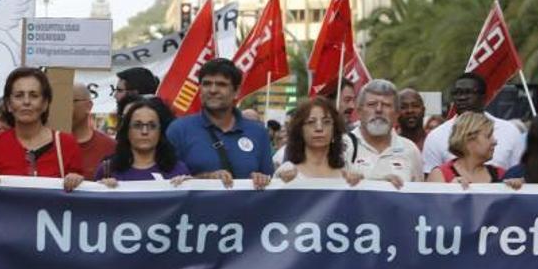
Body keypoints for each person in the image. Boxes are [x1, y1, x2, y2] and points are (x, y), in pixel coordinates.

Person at [166, 58, 273, 189]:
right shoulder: (178, 130)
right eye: (206, 84)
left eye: (221, 84)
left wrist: (262, 179)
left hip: (246, 209)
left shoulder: (258, 132)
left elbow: (271, 183)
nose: (212, 90)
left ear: (236, 91)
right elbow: (166, 184)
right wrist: (206, 178)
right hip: (195, 209)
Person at [0, 67, 84, 191]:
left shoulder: (67, 144)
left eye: (34, 95)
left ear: (45, 104)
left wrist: (76, 180)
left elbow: (78, 199)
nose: (26, 102)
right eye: (19, 96)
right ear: (8, 105)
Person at [422, 72, 524, 175]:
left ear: (483, 98)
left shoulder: (510, 132)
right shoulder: (436, 136)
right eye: (457, 93)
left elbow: (518, 175)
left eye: (468, 92)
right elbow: (431, 184)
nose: (461, 98)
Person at [345, 79, 423, 188]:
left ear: (396, 114)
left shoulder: (410, 150)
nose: (379, 110)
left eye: (386, 105)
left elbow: (419, 198)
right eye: (372, 104)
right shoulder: (342, 146)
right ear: (359, 111)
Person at [95, 98, 189, 184]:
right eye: (137, 125)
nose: (145, 131)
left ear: (160, 131)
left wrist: (189, 185)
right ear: (127, 130)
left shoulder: (178, 170)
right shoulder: (107, 170)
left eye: (152, 126)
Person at [275, 98, 361, 184]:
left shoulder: (347, 176)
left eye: (326, 122)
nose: (319, 128)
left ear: (335, 130)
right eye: (311, 122)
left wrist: (359, 184)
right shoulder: (286, 173)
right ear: (300, 130)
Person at [426, 111, 504, 186]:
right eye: (488, 136)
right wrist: (449, 191)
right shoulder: (440, 175)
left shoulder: (501, 174)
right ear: (469, 139)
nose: (494, 142)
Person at [72, 83, 116, 180]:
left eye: (70, 101)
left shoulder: (110, 147)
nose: (64, 108)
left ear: (89, 106)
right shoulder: (49, 144)